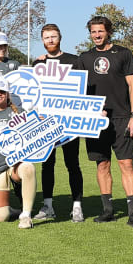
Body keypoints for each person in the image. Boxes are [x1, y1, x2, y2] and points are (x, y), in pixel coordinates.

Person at [78, 15, 133, 228]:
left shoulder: (123, 54)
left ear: (108, 32)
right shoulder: (84, 58)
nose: (96, 35)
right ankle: (108, 211)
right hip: (96, 120)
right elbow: (71, 83)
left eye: (100, 31)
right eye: (93, 32)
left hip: (122, 118)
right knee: (102, 164)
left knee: (126, 164)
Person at [32, 24, 84, 222]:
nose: (50, 40)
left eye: (53, 36)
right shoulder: (38, 64)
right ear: (42, 40)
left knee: (73, 164)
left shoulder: (73, 60)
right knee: (47, 164)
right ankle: (48, 205)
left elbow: (82, 90)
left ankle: (77, 206)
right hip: (46, 123)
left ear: (60, 37)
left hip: (69, 122)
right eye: (46, 37)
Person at [0, 78, 36, 229]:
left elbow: (34, 132)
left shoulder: (18, 113)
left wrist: (38, 120)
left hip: (15, 164)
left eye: (2, 92)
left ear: (7, 94)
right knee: (1, 217)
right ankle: (13, 210)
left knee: (28, 168)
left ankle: (26, 215)